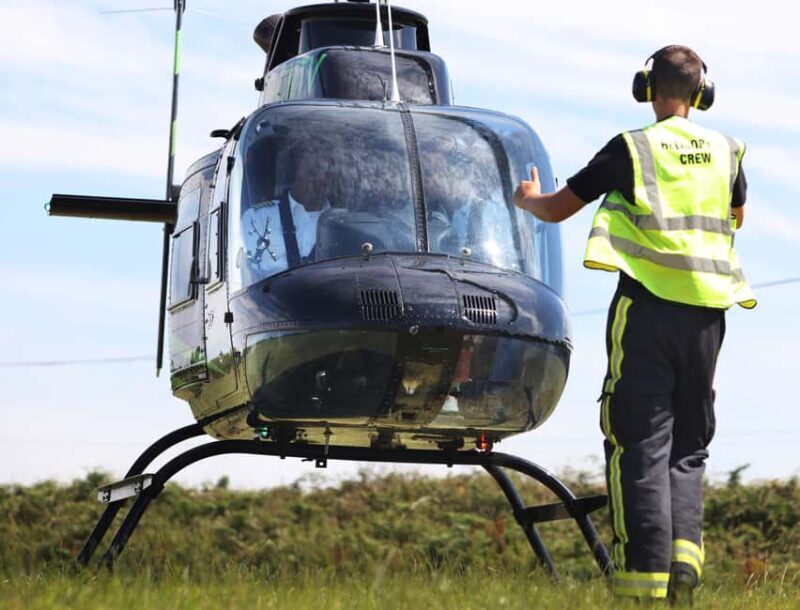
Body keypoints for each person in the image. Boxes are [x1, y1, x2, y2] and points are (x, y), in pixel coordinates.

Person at [513, 45, 755, 604]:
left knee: (640, 440)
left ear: (647, 89)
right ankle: (684, 561)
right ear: (702, 93)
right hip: (708, 316)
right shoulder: (727, 149)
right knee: (689, 443)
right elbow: (736, 216)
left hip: (647, 309)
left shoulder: (633, 148)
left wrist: (527, 199)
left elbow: (557, 208)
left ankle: (641, 587)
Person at [242, 149, 330, 283]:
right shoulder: (257, 219)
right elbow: (247, 278)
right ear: (293, 175)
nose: (321, 179)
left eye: (327, 173)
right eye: (312, 173)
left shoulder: (345, 224)